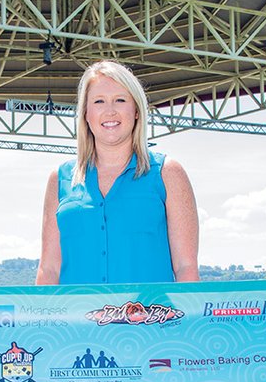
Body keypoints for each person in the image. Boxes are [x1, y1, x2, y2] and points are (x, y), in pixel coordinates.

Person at [36, 60, 198, 285]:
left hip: (150, 318)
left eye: (120, 100)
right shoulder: (60, 178)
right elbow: (49, 270)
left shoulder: (168, 174)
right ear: (85, 113)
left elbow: (185, 268)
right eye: (99, 101)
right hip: (77, 319)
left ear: (137, 111)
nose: (110, 111)